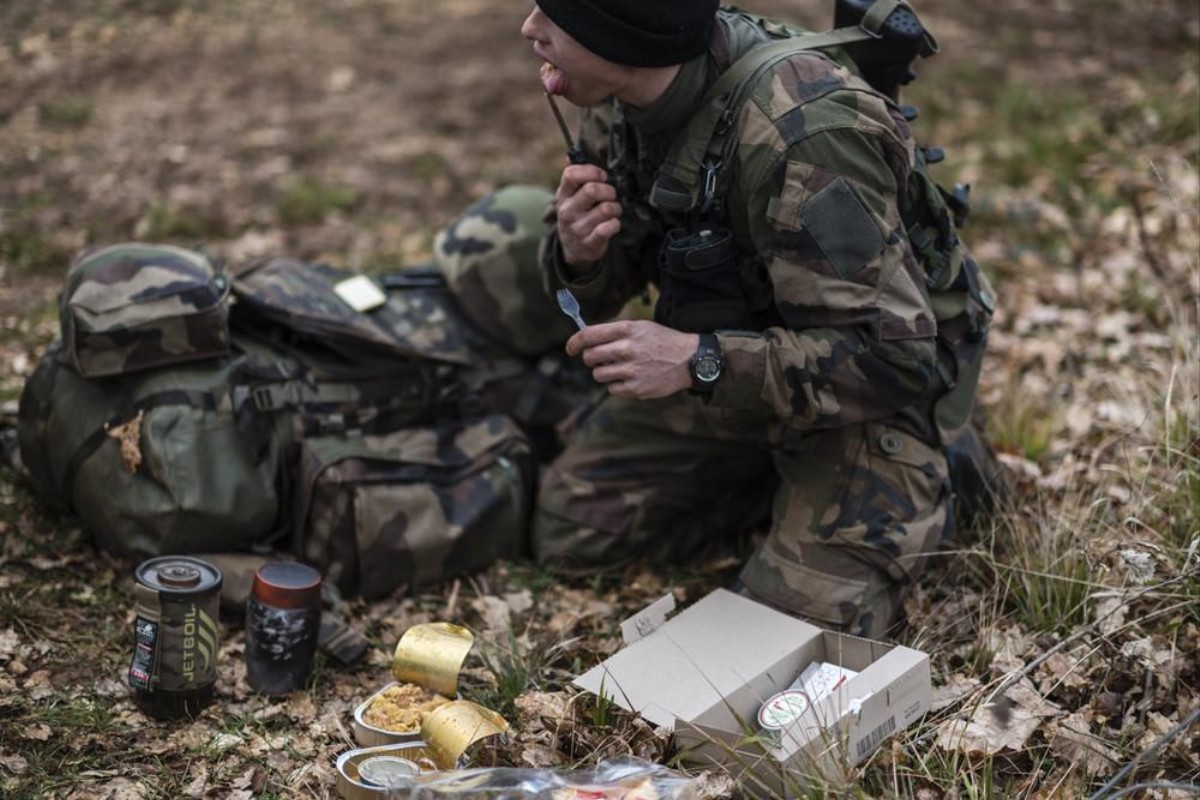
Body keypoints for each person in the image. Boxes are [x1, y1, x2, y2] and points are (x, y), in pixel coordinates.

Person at [436, 0, 1003, 639]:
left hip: (869, 404)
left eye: (556, 16)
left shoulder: (807, 138)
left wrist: (695, 360)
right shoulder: (620, 99)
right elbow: (596, 291)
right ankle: (783, 480)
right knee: (576, 527)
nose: (530, 28)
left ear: (625, 34)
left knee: (775, 647)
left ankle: (939, 467)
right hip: (742, 365)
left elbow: (894, 360)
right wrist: (580, 253)